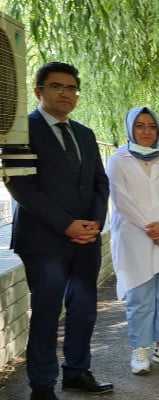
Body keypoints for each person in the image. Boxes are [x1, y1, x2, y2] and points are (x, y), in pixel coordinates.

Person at [6, 62, 113, 399]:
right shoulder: (21, 131)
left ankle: (77, 372)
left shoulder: (84, 134)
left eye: (71, 88)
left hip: (86, 238)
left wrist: (95, 223)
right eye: (56, 86)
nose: (66, 93)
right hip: (43, 241)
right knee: (47, 312)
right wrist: (67, 225)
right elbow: (21, 186)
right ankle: (42, 385)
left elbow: (100, 182)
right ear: (39, 91)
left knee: (84, 310)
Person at [107, 107, 159, 374]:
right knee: (139, 296)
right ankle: (140, 348)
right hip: (134, 237)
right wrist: (151, 228)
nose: (146, 131)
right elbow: (121, 199)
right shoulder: (118, 159)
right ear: (130, 129)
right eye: (140, 126)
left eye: (152, 126)